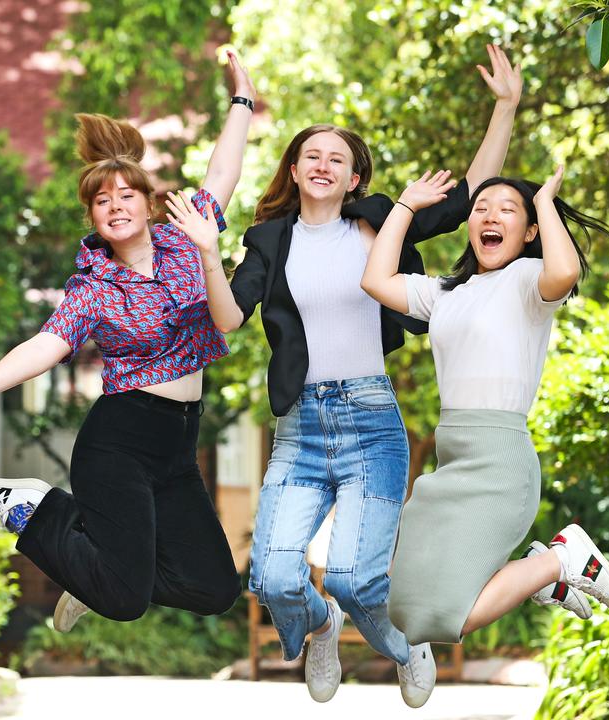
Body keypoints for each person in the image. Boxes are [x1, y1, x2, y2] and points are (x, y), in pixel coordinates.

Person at [199, 45, 523, 708]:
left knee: (352, 576)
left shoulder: (378, 221)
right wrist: (207, 253)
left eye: (337, 159)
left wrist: (506, 106)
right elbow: (229, 317)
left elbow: (465, 199)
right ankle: (321, 628)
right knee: (274, 577)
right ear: (295, 168)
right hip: (300, 427)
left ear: (354, 179)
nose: (322, 165)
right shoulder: (268, 240)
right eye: (311, 154)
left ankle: (407, 647)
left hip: (372, 423)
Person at [0, 52, 256, 631]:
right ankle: (33, 512)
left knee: (214, 588)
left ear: (151, 205)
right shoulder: (93, 286)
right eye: (103, 201)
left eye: (128, 196)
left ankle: (94, 573)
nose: (116, 206)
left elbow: (224, 172)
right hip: (120, 441)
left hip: (177, 445)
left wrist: (242, 101)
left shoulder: (186, 238)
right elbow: (46, 345)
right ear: (94, 217)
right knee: (126, 601)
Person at [359, 164, 609, 661]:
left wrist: (544, 202)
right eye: (481, 208)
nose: (490, 215)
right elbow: (376, 280)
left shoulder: (529, 282)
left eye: (508, 210)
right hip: (452, 457)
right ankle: (544, 572)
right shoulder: (446, 293)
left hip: (501, 463)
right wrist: (405, 205)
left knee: (440, 617)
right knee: (405, 607)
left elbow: (564, 270)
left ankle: (561, 561)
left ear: (528, 231)